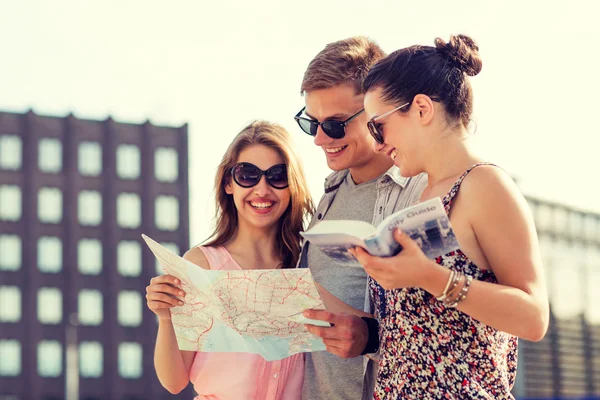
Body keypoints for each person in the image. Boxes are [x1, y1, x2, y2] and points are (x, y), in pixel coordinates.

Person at [348, 34, 549, 399]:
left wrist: (429, 276)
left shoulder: (485, 185)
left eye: (378, 126)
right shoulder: (423, 195)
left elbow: (534, 318)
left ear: (422, 108)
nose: (377, 144)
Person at [294, 37, 427, 400]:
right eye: (312, 123)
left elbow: (442, 328)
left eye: (335, 125)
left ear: (375, 110)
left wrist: (373, 337)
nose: (321, 139)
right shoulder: (330, 192)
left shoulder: (421, 193)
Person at [145, 121, 314, 399]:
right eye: (247, 174)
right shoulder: (202, 265)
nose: (262, 189)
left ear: (292, 184)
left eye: (277, 175)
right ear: (228, 183)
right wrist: (165, 318)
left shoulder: (307, 263)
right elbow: (174, 381)